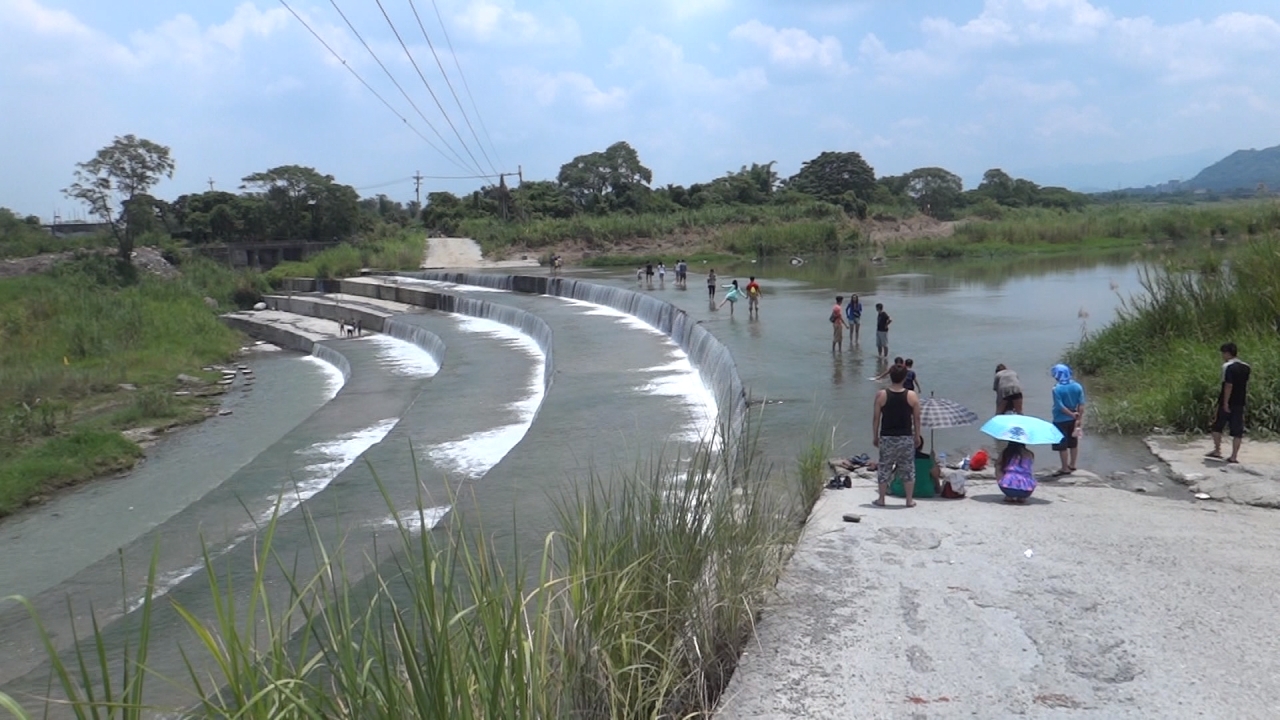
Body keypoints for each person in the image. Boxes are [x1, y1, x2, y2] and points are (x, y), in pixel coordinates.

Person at [873, 363, 923, 508]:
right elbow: (917, 418)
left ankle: (881, 499)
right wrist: (917, 436)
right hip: (905, 436)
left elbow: (876, 418)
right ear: (905, 377)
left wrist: (875, 436)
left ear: (890, 376)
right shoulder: (912, 395)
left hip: (887, 436)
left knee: (884, 467)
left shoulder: (881, 395)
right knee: (907, 467)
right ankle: (909, 500)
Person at [1209, 342, 1251, 463]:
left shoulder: (1227, 366)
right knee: (1238, 430)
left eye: (1223, 353)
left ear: (1227, 353)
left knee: (1217, 426)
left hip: (1227, 401)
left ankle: (1217, 450)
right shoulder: (1246, 367)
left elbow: (1228, 385)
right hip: (1240, 401)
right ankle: (1234, 456)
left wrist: (1225, 403)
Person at [1050, 363, 1086, 476]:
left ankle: (1064, 467)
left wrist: (1070, 414)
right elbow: (1081, 404)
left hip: (1060, 419)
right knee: (1073, 443)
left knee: (1062, 445)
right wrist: (1078, 417)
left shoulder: (1056, 389)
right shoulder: (1077, 386)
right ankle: (1073, 464)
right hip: (1074, 419)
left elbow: (1060, 406)